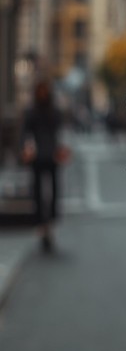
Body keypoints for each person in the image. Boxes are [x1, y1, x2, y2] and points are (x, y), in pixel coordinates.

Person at [21, 79, 66, 252]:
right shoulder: (32, 111)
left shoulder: (54, 111)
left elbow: (61, 132)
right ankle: (41, 222)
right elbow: (25, 132)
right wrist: (26, 147)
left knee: (54, 189)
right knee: (37, 190)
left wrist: (61, 149)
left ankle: (50, 220)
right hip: (38, 156)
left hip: (52, 155)